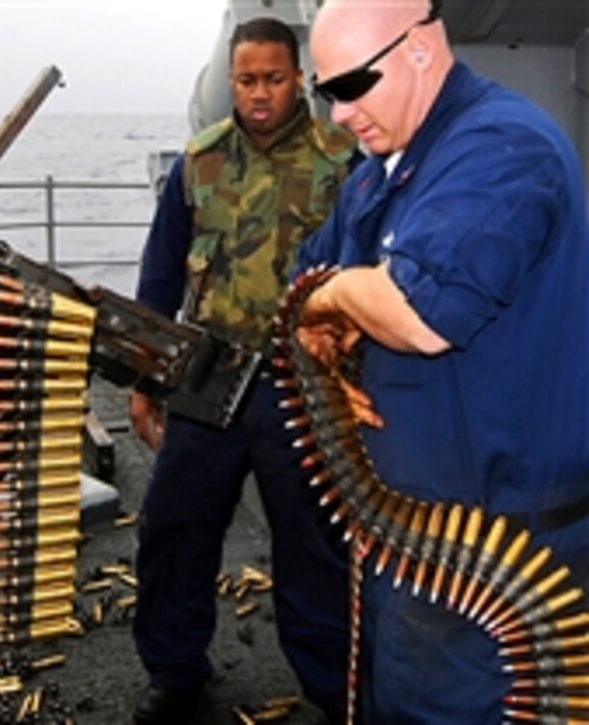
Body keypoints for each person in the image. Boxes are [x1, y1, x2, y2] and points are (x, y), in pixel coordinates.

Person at [294, 0, 589, 721]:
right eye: (326, 91)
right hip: (413, 539)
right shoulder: (381, 169)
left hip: (506, 546)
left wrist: (339, 294)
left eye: (353, 84)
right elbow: (305, 279)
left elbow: (420, 318)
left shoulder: (502, 148)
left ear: (420, 50)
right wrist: (323, 316)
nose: (338, 114)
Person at [129, 17, 357, 724]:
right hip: (209, 377)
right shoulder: (195, 163)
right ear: (232, 82)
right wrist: (144, 378)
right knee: (173, 529)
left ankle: (333, 688)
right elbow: (160, 274)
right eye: (248, 80)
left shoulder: (342, 161)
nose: (261, 94)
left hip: (304, 385)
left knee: (313, 543)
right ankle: (174, 672)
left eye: (275, 78)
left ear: (300, 79)